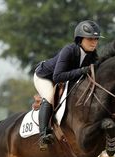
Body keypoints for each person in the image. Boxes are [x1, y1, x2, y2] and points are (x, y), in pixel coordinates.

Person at [34, 20, 103, 149]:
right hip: (45, 77)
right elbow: (57, 76)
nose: (94, 42)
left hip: (63, 79)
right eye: (90, 39)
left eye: (96, 39)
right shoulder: (69, 50)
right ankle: (43, 135)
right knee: (49, 97)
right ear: (80, 39)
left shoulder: (92, 55)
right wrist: (82, 71)